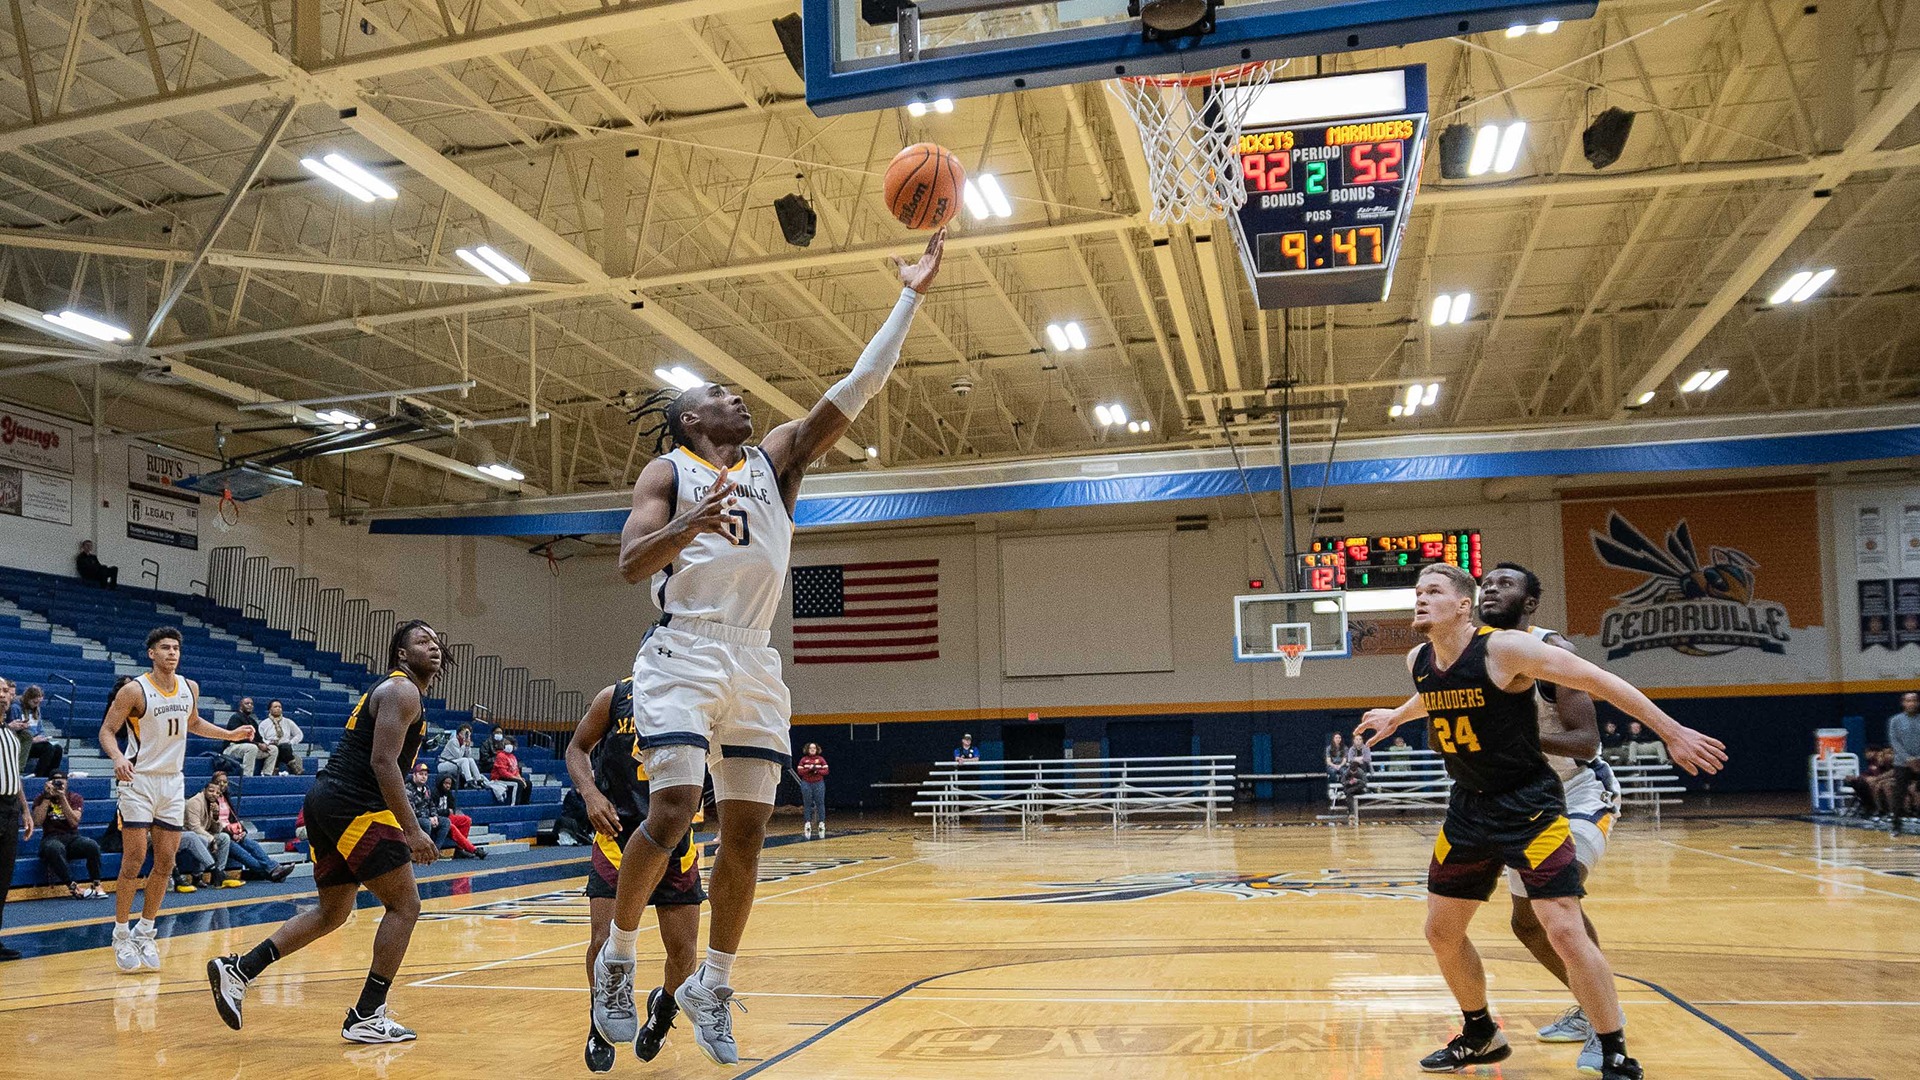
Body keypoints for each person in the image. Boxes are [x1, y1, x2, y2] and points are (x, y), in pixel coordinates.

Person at [592, 228, 945, 1067]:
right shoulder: (667, 473)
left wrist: (911, 296)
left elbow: (858, 386)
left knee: (747, 832)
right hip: (681, 652)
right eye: (718, 393)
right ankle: (616, 957)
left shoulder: (774, 458)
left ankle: (713, 981)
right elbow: (627, 563)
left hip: (754, 658)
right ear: (687, 417)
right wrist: (690, 521)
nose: (737, 399)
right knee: (673, 812)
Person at [1354, 562, 1727, 1080]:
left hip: (1534, 803)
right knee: (1442, 931)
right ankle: (1481, 1033)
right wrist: (1397, 715)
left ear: (1463, 605)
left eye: (1433, 591)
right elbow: (1440, 692)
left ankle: (1613, 1045)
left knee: (1563, 926)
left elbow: (1599, 679)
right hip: (1470, 807)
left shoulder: (1509, 648)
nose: (1419, 598)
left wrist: (1671, 731)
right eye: (1417, 591)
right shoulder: (1419, 657)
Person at [208, 621, 442, 1043]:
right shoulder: (403, 690)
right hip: (356, 803)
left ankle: (240, 969)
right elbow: (383, 763)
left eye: (437, 641)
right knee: (405, 905)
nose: (435, 647)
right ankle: (368, 1015)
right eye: (422, 641)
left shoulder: (398, 691)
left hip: (327, 801)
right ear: (402, 654)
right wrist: (411, 829)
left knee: (332, 912)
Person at [1475, 562, 1625, 1072]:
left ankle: (1608, 1027)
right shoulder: (1474, 653)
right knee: (1526, 924)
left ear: (1530, 602)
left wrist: (1510, 739)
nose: (1491, 588)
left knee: (1555, 903)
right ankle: (1588, 1007)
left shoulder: (1552, 651)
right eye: (1485, 583)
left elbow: (1586, 740)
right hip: (1525, 799)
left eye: (1506, 583)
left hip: (1580, 789)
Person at [565, 678, 706, 1072]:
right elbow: (576, 749)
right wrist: (590, 794)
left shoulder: (699, 696)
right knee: (601, 939)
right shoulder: (613, 697)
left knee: (683, 953)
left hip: (674, 838)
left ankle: (663, 1009)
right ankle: (599, 1022)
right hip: (618, 834)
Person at [100, 627, 256, 972]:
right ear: (151, 653)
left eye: (176, 648)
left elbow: (195, 722)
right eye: (165, 648)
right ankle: (121, 933)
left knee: (166, 861)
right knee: (135, 858)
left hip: (172, 782)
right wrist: (117, 758)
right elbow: (107, 730)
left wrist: (229, 734)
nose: (172, 653)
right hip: (138, 780)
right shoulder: (134, 690)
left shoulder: (190, 687)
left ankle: (145, 931)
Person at [188, 772, 291, 883]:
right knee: (244, 855)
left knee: (252, 844)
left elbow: (233, 818)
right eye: (218, 782)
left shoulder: (224, 797)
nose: (222, 785)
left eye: (225, 782)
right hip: (219, 834)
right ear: (210, 785)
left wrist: (242, 831)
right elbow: (205, 827)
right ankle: (271, 873)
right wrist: (231, 833)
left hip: (230, 832)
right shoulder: (204, 800)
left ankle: (273, 868)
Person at [34, 771, 105, 899]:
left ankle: (97, 884)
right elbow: (37, 822)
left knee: (92, 845)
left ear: (67, 782)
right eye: (55, 780)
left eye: (62, 779)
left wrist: (62, 798)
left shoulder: (74, 797)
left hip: (72, 837)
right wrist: (47, 798)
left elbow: (74, 822)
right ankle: (73, 887)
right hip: (51, 837)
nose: (59, 782)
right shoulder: (41, 798)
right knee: (54, 848)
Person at [0, 678, 28, 961]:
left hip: (9, 809)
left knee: (3, 879)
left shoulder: (10, 737)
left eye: (5, 691)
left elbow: (14, 776)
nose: (3, 695)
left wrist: (26, 810)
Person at [428, 774, 483, 859]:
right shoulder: (434, 792)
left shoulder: (449, 793)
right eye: (445, 783)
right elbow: (433, 810)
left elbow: (452, 809)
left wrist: (448, 812)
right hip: (437, 819)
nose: (447, 786)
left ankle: (459, 850)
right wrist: (446, 811)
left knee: (467, 820)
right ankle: (473, 849)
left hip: (446, 816)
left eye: (449, 784)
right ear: (440, 783)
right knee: (452, 827)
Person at [1889, 692, 1920, 833]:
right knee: (1898, 793)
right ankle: (1896, 825)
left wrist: (1918, 758)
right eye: (1908, 701)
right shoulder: (1895, 720)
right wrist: (1908, 758)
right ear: (1903, 703)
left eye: (1914, 700)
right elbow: (1894, 741)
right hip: (1902, 763)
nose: (1911, 703)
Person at [223, 698, 273, 776]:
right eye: (247, 703)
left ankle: (266, 774)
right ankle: (247, 776)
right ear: (240, 706)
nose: (250, 705)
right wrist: (258, 744)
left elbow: (258, 737)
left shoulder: (252, 721)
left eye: (251, 704)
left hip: (247, 747)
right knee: (252, 747)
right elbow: (237, 738)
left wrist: (264, 744)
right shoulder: (235, 717)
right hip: (232, 747)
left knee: (273, 749)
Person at [19, 687, 60, 777]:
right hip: (24, 743)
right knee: (48, 748)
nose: (36, 705)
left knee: (58, 749)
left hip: (36, 741)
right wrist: (33, 740)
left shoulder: (37, 710)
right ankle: (39, 775)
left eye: (39, 703)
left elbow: (40, 729)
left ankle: (49, 776)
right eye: (35, 702)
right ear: (28, 698)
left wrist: (43, 737)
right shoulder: (17, 708)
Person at [257, 701, 304, 776]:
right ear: (270, 709)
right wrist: (268, 743)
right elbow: (260, 737)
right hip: (271, 748)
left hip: (285, 748)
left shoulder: (288, 722)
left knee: (284, 747)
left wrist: (291, 742)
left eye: (280, 707)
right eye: (275, 707)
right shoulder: (263, 724)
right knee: (275, 749)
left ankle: (277, 769)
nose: (278, 709)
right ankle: (293, 767)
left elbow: (299, 734)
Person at [796, 743, 829, 839]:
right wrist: (809, 770)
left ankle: (821, 823)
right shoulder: (803, 760)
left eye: (814, 748)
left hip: (818, 783)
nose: (812, 749)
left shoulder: (821, 759)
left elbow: (826, 771)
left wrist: (817, 771)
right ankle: (807, 823)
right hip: (806, 783)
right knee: (807, 803)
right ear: (807, 749)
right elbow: (800, 771)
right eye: (810, 748)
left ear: (817, 749)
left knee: (820, 803)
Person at [488, 738, 532, 806]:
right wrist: (518, 779)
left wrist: (520, 777)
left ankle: (524, 803)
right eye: (506, 744)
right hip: (499, 778)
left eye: (510, 744)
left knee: (528, 783)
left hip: (511, 777)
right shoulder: (500, 756)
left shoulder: (513, 757)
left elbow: (516, 770)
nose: (508, 745)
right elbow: (503, 773)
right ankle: (514, 804)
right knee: (518, 784)